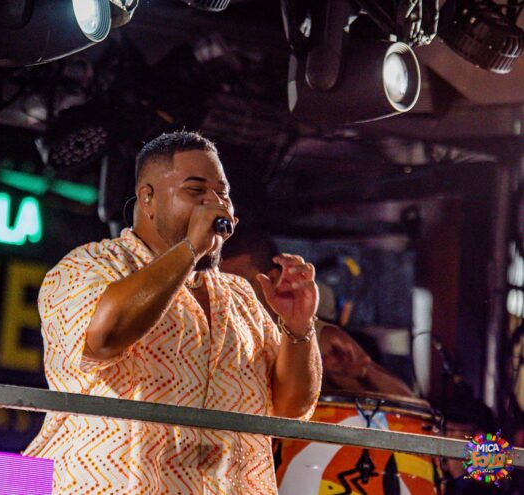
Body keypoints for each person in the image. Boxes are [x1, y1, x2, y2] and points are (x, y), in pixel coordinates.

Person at [23, 131, 322, 494]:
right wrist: (190, 249)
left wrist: (298, 327)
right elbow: (104, 338)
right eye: (195, 191)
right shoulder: (88, 267)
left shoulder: (241, 296)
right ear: (147, 198)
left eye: (222, 194)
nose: (214, 204)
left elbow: (292, 408)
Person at [219, 224, 414, 398]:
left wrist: (363, 373)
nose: (225, 298)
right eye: (216, 287)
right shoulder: (210, 336)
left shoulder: (319, 338)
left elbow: (408, 404)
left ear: (273, 279)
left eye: (238, 286)